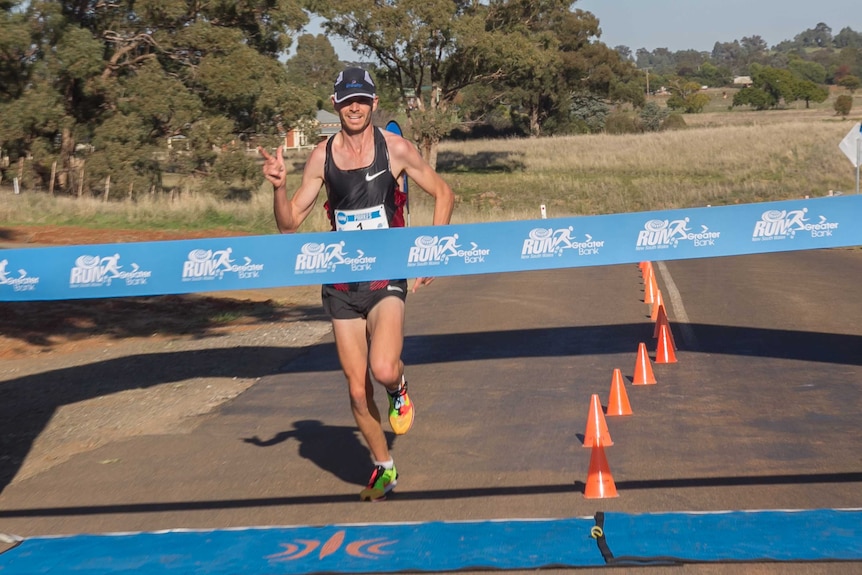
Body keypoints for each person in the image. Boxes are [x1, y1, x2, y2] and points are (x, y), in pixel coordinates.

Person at [259, 67, 454, 501]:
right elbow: (289, 224)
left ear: (374, 103)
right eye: (348, 100)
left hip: (386, 278)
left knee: (383, 368)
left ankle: (398, 388)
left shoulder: (396, 149)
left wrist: (433, 250)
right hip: (341, 283)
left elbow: (444, 193)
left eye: (362, 100)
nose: (355, 107)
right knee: (354, 387)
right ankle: (384, 466)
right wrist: (278, 187)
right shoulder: (320, 156)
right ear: (335, 104)